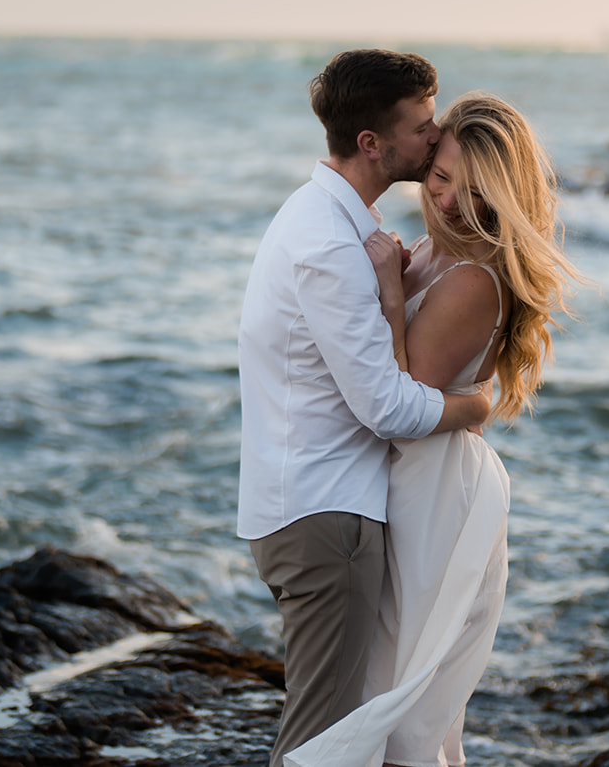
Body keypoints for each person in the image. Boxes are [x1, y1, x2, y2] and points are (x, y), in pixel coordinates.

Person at [286, 92, 578, 767]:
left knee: (398, 696)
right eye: (441, 178)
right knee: (387, 683)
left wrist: (390, 290)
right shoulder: (429, 250)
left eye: (474, 192)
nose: (448, 201)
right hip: (411, 482)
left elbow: (398, 398)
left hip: (433, 494)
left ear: (504, 196)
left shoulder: (473, 280)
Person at [237, 49, 493, 767]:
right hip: (327, 515)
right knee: (322, 742)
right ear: (373, 143)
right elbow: (386, 406)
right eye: (421, 126)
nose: (435, 135)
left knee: (333, 729)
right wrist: (473, 406)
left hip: (308, 503)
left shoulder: (328, 216)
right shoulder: (330, 242)